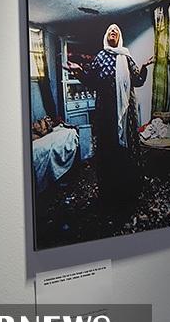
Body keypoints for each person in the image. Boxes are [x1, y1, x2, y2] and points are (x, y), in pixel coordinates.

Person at [65, 23, 153, 204]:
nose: (113, 32)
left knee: (126, 148)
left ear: (119, 37)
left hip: (125, 112)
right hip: (105, 111)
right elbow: (91, 80)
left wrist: (144, 67)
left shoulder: (126, 57)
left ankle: (129, 188)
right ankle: (110, 190)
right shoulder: (100, 56)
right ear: (106, 36)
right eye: (110, 31)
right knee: (108, 147)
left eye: (116, 31)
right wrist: (79, 71)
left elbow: (137, 81)